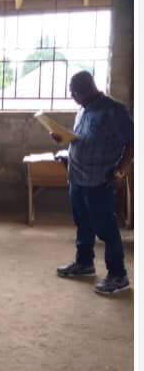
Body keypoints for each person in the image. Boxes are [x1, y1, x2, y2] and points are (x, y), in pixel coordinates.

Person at [51, 71, 133, 294]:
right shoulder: (83, 110)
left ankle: (118, 275)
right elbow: (84, 140)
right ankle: (84, 264)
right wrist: (64, 141)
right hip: (77, 177)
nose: (72, 96)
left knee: (106, 228)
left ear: (86, 89)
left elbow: (133, 142)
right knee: (83, 224)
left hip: (99, 180)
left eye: (73, 92)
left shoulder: (114, 111)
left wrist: (121, 171)